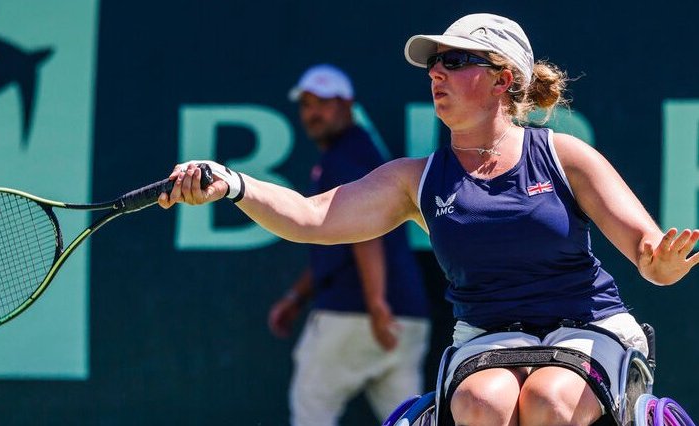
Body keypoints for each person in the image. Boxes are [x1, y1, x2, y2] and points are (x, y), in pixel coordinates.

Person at [159, 13, 699, 426]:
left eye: (457, 61)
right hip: (489, 335)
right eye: (435, 62)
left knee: (550, 402)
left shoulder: (565, 156)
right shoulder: (413, 180)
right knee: (482, 405)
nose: (436, 72)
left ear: (501, 79)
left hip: (587, 327)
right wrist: (234, 184)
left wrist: (664, 264)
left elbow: (651, 257)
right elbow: (311, 216)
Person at [265, 64, 431, 425]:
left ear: (347, 106)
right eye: (307, 104)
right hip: (405, 317)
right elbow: (339, 240)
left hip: (357, 315)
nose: (314, 113)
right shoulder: (357, 154)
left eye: (324, 103)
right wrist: (297, 296)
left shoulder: (345, 157)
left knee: (312, 413)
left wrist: (376, 303)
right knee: (410, 419)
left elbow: (365, 233)